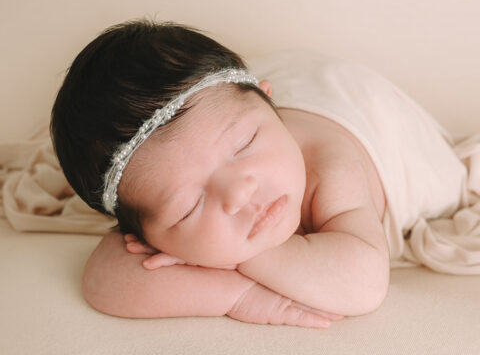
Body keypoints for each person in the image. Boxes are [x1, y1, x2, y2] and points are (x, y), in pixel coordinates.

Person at [50, 19, 465, 328]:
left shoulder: (332, 165)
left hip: (361, 111)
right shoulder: (169, 174)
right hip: (232, 110)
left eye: (244, 146)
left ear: (271, 106)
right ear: (146, 236)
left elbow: (364, 285)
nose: (239, 194)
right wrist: (237, 296)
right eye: (189, 207)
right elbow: (103, 281)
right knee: (214, 124)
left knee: (220, 116)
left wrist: (234, 255)